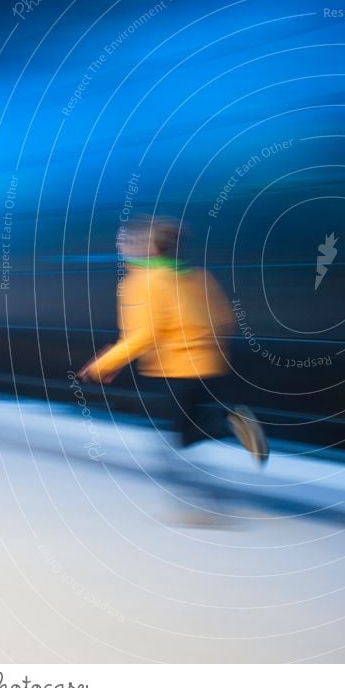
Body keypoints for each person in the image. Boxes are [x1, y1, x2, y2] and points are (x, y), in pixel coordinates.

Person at [78, 215, 268, 527]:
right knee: (190, 432)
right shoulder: (198, 276)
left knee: (172, 447)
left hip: (175, 369)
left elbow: (143, 335)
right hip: (210, 366)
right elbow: (223, 319)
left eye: (127, 240)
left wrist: (103, 365)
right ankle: (227, 421)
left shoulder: (140, 283)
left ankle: (206, 508)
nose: (122, 246)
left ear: (147, 247)